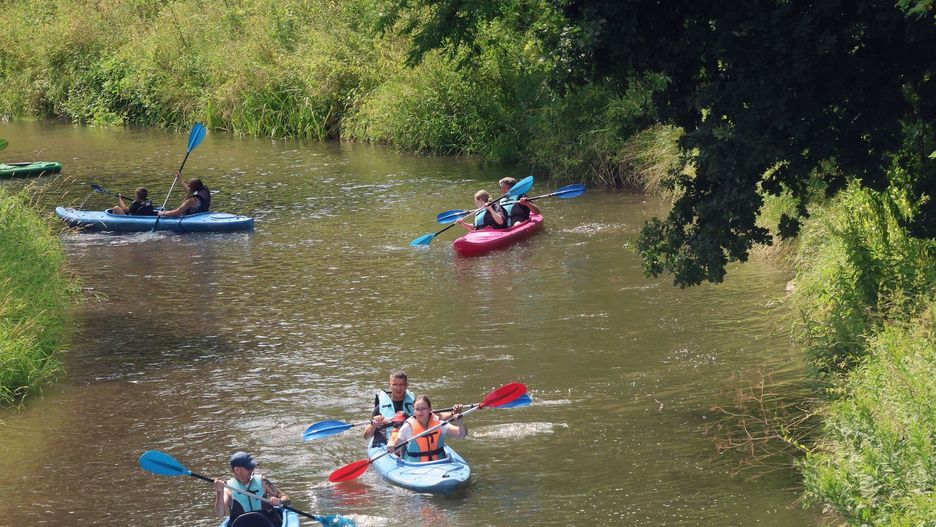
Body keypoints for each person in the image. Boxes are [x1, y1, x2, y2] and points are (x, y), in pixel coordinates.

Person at [213, 452, 289, 527]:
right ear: (237, 470)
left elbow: (287, 499)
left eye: (252, 467)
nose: (252, 470)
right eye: (248, 467)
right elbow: (220, 514)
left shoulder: (263, 481)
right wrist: (219, 491)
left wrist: (279, 501)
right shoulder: (228, 488)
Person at [386, 395, 467, 462]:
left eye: (424, 409)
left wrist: (460, 423)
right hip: (415, 467)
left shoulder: (438, 423)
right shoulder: (408, 427)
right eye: (417, 409)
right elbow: (395, 449)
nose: (420, 412)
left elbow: (462, 434)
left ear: (430, 409)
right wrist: (390, 444)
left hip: (440, 464)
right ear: (413, 411)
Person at [363, 371, 415, 447]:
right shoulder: (380, 407)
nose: (398, 388)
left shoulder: (416, 405)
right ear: (389, 385)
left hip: (408, 441)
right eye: (394, 385)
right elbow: (366, 436)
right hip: (384, 444)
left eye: (401, 385)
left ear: (406, 386)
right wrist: (375, 424)